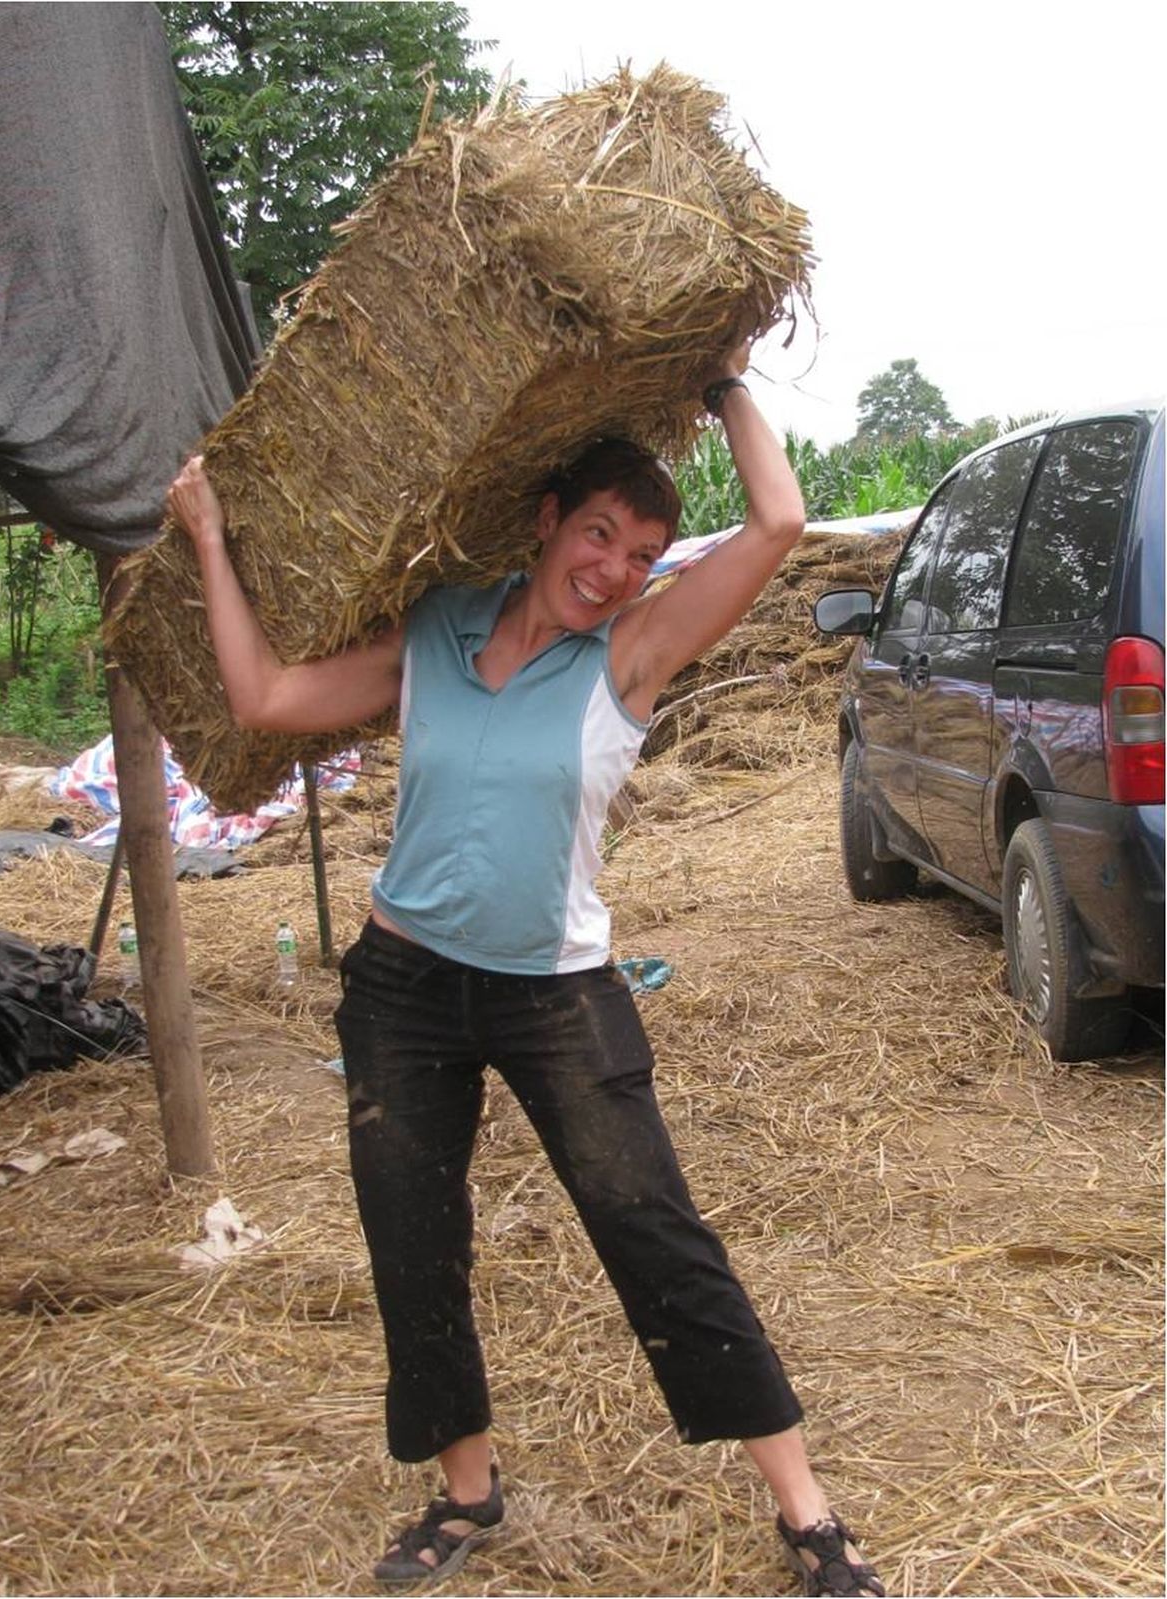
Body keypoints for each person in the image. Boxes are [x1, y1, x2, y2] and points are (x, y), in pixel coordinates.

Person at [167, 343, 886, 1599]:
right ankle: (465, 1492)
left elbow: (778, 519)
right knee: (412, 1236)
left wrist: (720, 381)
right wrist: (211, 540)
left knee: (654, 1230)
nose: (612, 573)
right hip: (400, 987)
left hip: (557, 993)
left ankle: (810, 1515)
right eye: (598, 535)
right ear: (549, 520)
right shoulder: (439, 628)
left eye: (638, 557)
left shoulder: (630, 657)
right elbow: (267, 695)